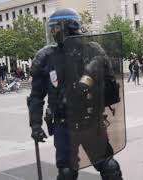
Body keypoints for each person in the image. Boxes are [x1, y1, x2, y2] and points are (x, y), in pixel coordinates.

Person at [27, 8, 123, 180]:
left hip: (91, 121)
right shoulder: (47, 57)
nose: (53, 32)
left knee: (110, 167)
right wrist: (35, 124)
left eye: (55, 27)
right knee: (66, 173)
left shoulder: (92, 51)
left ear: (67, 27)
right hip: (63, 125)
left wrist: (96, 68)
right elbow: (36, 96)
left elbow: (110, 83)